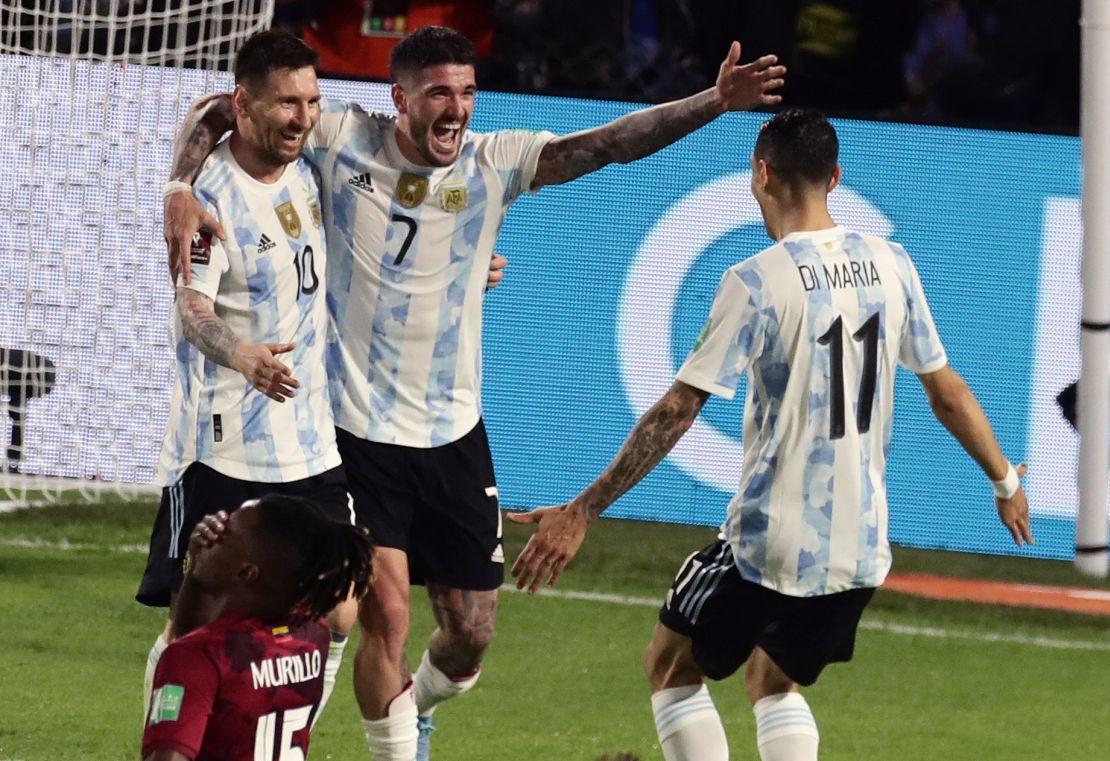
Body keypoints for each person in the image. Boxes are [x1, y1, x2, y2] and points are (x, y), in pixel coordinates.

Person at [162, 26, 785, 761]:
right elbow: (217, 109)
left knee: (469, 635)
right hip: (359, 435)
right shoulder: (343, 139)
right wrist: (179, 185)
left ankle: (416, 706)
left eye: (466, 92)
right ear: (399, 98)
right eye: (438, 93)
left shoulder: (496, 162)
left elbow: (612, 142)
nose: (455, 109)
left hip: (455, 435)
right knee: (385, 613)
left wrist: (713, 102)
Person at [509, 110, 1033, 761]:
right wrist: (1005, 481)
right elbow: (946, 390)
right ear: (834, 176)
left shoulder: (757, 280)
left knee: (669, 668)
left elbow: (677, 409)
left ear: (761, 173)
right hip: (860, 547)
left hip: (769, 542)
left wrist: (583, 508)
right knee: (771, 679)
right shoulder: (891, 263)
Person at [136, 29, 359, 728]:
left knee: (340, 608)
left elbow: (203, 107)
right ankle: (169, 739)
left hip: (310, 442)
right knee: (196, 619)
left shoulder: (311, 162)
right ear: (247, 105)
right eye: (286, 103)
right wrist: (243, 355)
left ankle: (282, 743)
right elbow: (192, 310)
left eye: (311, 101)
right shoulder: (211, 203)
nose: (302, 117)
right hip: (222, 447)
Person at [142, 494, 374, 761]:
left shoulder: (196, 657)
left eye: (225, 535)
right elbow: (200, 644)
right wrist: (197, 573)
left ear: (246, 573)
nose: (212, 533)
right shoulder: (311, 633)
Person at [0, 347, 56, 473]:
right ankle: (14, 460)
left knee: (17, 414)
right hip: (39, 372)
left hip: (35, 375)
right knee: (17, 414)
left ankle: (14, 459)